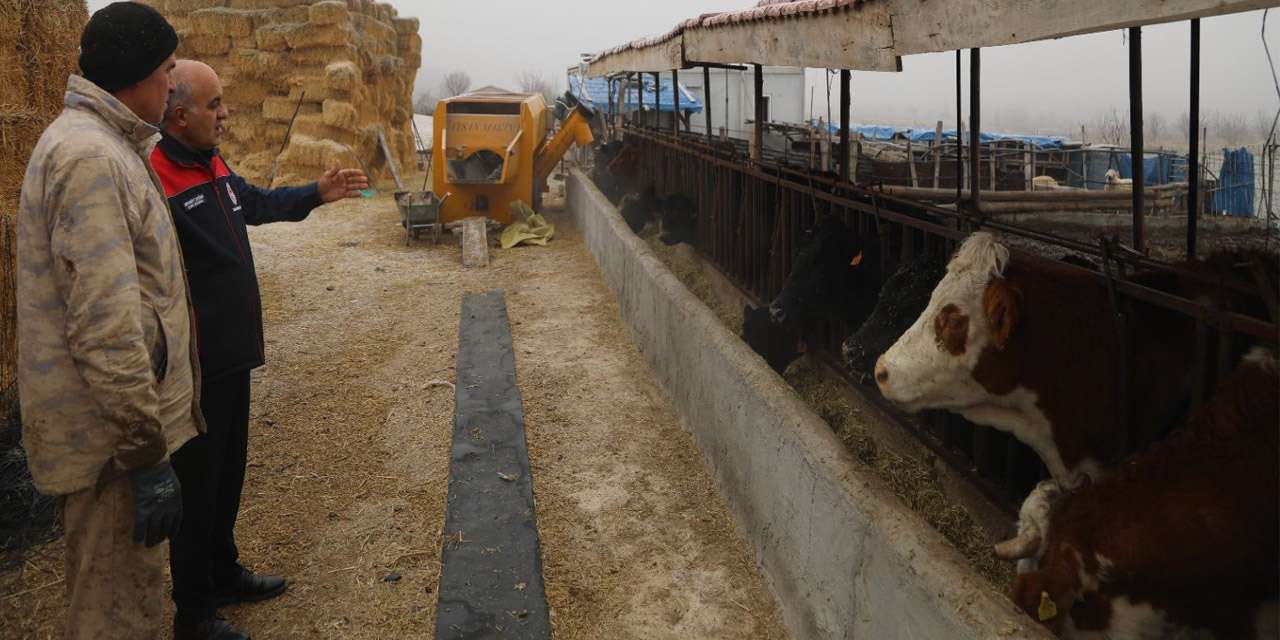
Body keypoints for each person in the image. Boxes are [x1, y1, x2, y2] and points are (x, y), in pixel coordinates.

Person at [151, 59, 368, 640]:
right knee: (196, 487)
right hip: (195, 367)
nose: (226, 113)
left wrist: (315, 194)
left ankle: (223, 572)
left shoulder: (211, 165)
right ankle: (193, 611)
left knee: (227, 476)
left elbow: (257, 203)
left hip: (233, 357)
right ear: (179, 114)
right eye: (215, 103)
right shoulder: (155, 178)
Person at [15, 3, 202, 639]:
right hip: (111, 447)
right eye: (168, 68)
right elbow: (106, 326)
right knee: (116, 613)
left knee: (126, 592)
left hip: (114, 441)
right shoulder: (90, 159)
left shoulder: (106, 145)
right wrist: (146, 456)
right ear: (136, 74)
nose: (174, 83)